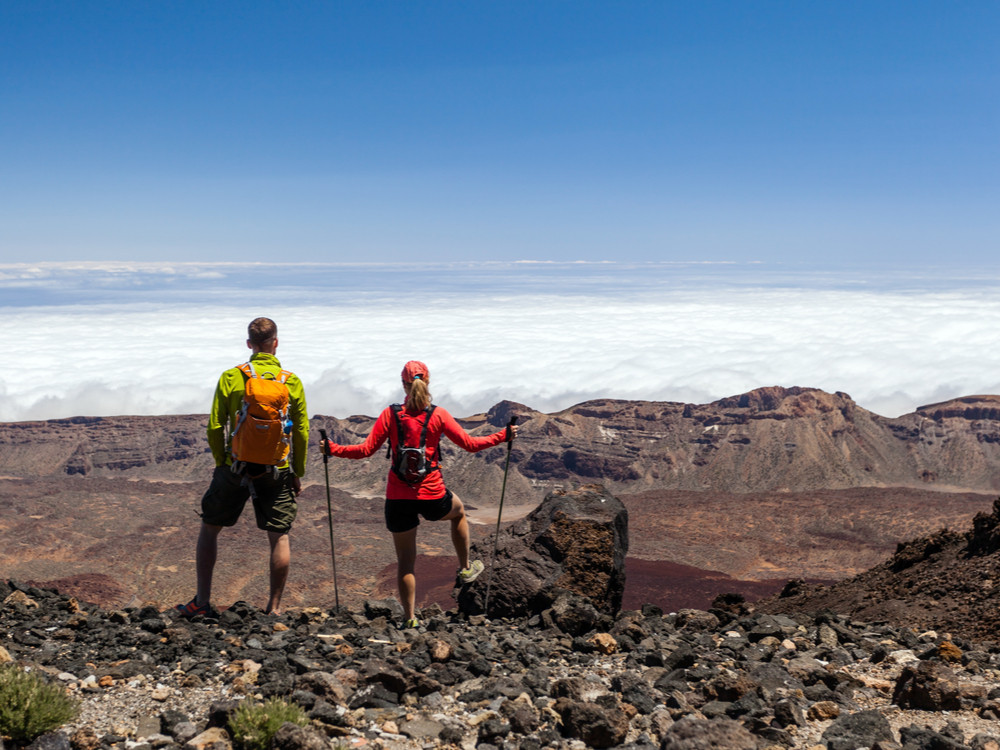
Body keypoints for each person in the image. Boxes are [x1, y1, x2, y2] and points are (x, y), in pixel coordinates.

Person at [321, 360, 517, 628]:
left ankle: (410, 619)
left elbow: (365, 450)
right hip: (432, 494)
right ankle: (465, 568)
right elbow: (470, 445)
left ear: (403, 383)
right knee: (458, 512)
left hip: (398, 498)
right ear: (428, 382)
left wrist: (332, 448)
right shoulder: (438, 415)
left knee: (405, 562)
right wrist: (503, 435)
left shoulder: (391, 415)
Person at [174, 317, 309, 617]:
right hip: (276, 470)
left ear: (249, 344)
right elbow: (301, 431)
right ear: (276, 342)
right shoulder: (291, 381)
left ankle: (202, 602)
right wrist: (296, 472)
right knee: (279, 535)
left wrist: (222, 461)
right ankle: (273, 609)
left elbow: (214, 426)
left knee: (210, 529)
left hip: (234, 468)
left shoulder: (231, 377)